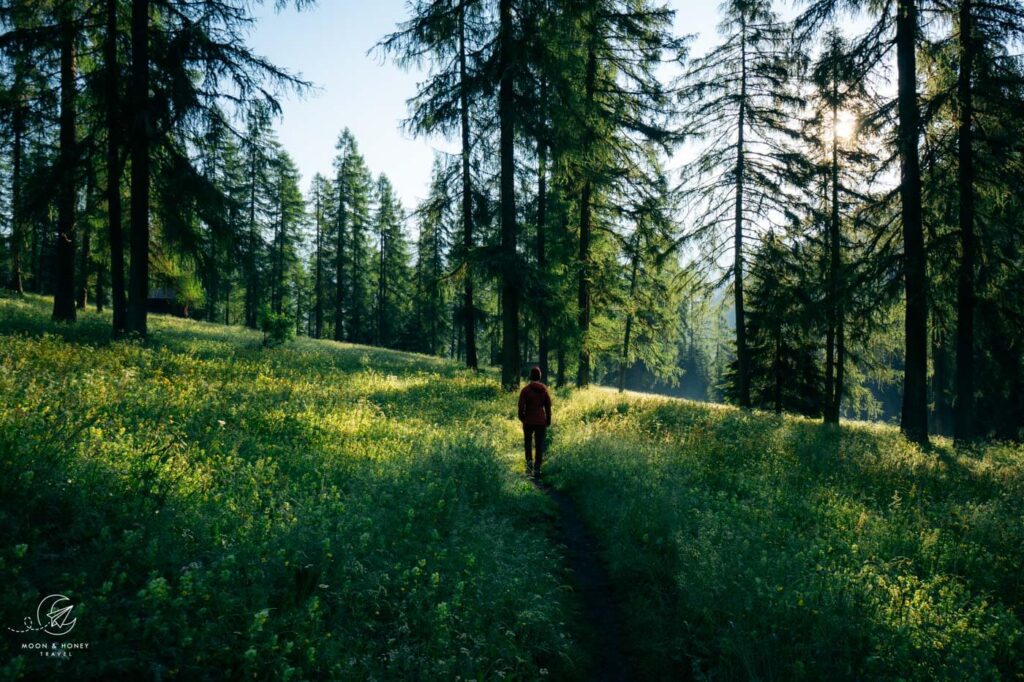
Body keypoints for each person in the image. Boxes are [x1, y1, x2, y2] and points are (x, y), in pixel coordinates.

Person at [518, 366, 552, 478]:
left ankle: (529, 467)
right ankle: (537, 469)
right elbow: (548, 407)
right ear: (540, 376)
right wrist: (548, 420)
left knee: (528, 443)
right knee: (539, 445)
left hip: (528, 421)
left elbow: (521, 406)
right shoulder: (544, 390)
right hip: (541, 422)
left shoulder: (525, 390)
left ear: (530, 376)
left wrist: (522, 418)